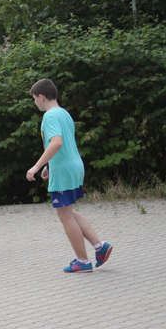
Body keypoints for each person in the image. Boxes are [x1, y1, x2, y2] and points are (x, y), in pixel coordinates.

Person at [26, 78, 113, 273]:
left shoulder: (50, 116)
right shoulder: (64, 113)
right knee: (69, 212)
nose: (35, 102)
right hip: (73, 166)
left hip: (64, 171)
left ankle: (82, 261)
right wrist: (49, 165)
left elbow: (56, 142)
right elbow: (63, 143)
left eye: (34, 98)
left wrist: (36, 167)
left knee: (64, 215)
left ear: (41, 97)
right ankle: (100, 246)